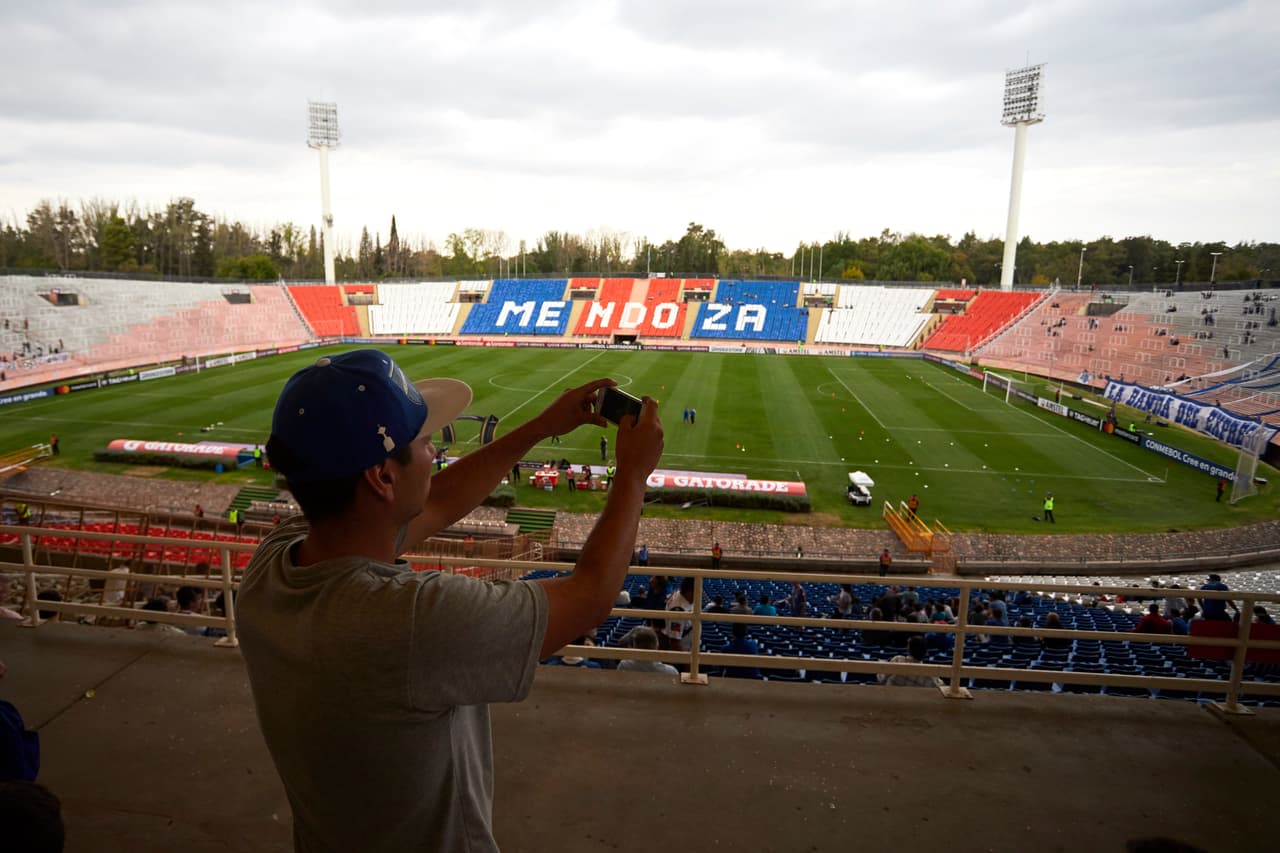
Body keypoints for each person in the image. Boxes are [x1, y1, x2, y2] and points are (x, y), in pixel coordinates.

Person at [236, 349, 664, 853]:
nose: (435, 453)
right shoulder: (411, 618)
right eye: (424, 442)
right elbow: (589, 597)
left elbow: (436, 500)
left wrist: (538, 429)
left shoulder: (274, 561)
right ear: (382, 478)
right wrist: (633, 476)